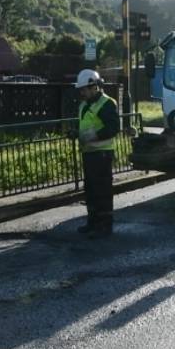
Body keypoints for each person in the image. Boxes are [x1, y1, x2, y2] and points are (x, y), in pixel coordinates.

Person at [74, 69, 119, 239]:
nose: (82, 92)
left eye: (84, 89)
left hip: (102, 153)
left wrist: (94, 136)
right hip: (89, 153)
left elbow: (113, 128)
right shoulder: (84, 105)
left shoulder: (106, 104)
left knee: (102, 190)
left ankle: (105, 226)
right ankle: (92, 222)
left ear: (94, 87)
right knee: (91, 190)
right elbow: (85, 126)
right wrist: (75, 133)